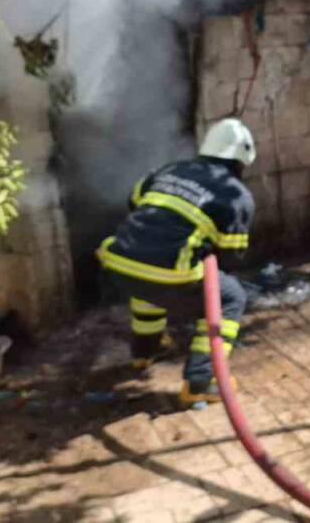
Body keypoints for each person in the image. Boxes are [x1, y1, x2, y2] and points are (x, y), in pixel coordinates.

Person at [96, 118, 256, 409]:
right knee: (231, 296)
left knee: (149, 285)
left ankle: (144, 352)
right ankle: (199, 381)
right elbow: (232, 255)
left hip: (118, 261)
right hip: (167, 271)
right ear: (242, 160)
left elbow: (134, 200)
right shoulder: (236, 195)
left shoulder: (169, 170)